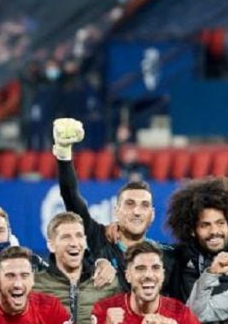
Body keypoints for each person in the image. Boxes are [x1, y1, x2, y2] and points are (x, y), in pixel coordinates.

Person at [52, 118, 157, 288]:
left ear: (152, 215)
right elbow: (70, 196)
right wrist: (64, 154)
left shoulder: (162, 256)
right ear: (116, 211)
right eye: (129, 204)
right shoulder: (98, 239)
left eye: (144, 205)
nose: (137, 211)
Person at [34, 211, 120, 324]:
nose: (74, 243)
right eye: (66, 237)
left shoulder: (108, 282)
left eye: (79, 236)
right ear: (51, 245)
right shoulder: (35, 286)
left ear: (85, 241)